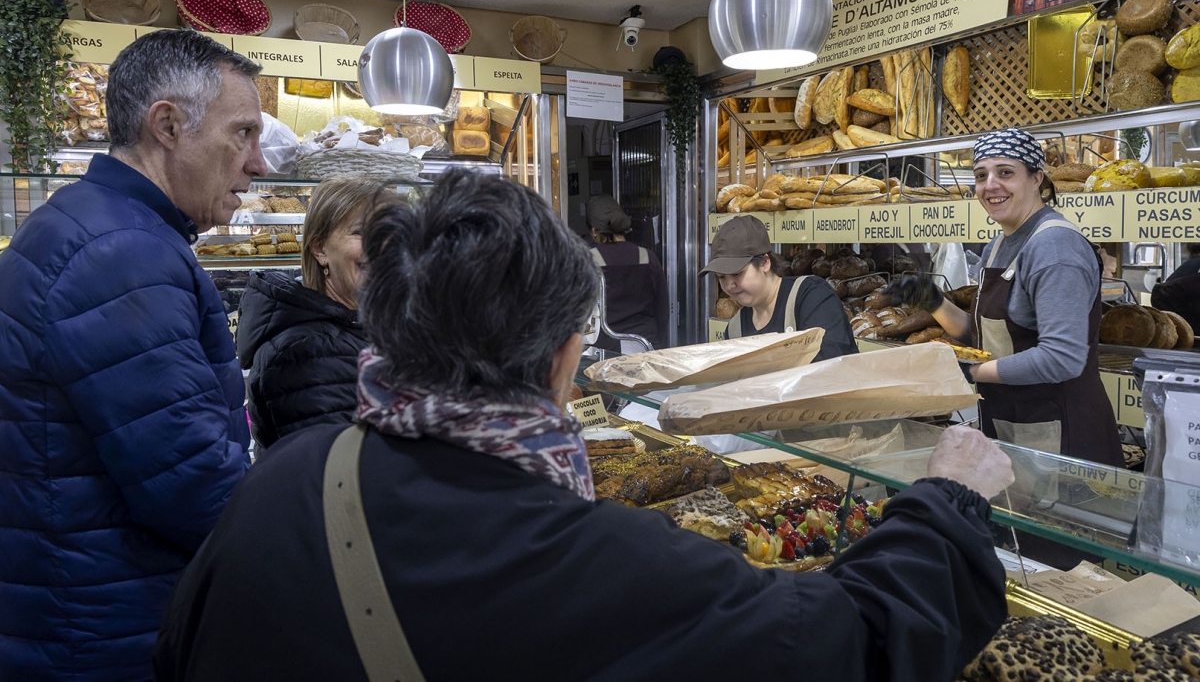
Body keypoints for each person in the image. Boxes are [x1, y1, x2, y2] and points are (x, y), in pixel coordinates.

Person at [154, 169, 1014, 682]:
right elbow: (850, 640)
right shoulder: (604, 563)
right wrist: (946, 504)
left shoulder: (284, 481)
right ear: (568, 356)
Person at [0, 30, 265, 680]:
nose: (258, 163)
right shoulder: (121, 253)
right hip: (107, 633)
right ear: (168, 125)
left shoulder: (95, 223)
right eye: (242, 134)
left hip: (77, 611)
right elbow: (190, 479)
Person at [882, 128, 1123, 467]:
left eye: (1005, 172)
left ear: (1037, 178)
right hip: (1014, 425)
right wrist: (932, 301)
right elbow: (988, 337)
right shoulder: (1000, 244)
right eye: (981, 175)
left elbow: (1062, 358)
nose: (990, 185)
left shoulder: (1054, 246)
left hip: (1062, 437)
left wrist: (971, 373)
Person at [237, 176, 401, 450]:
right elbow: (353, 473)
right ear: (319, 248)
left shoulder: (358, 327)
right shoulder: (305, 354)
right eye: (361, 232)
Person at [703, 215, 857, 362]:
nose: (729, 285)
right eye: (721, 277)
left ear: (764, 263)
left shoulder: (811, 297)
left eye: (736, 273)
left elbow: (831, 368)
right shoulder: (736, 329)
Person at [586, 194, 669, 352]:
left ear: (594, 230)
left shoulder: (588, 260)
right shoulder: (647, 256)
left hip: (605, 350)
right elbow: (662, 310)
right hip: (645, 345)